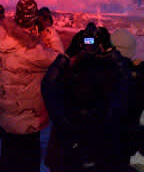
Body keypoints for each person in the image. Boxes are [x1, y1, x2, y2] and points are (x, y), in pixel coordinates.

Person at [43, 22, 130, 171]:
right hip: (99, 160)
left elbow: (47, 84)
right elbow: (126, 81)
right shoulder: (109, 111)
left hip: (69, 161)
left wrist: (68, 53)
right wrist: (110, 50)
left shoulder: (64, 113)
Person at [0, 0, 61, 172]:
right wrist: (48, 29)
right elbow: (59, 58)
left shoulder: (0, 34)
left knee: (9, 155)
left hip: (6, 114)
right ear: (33, 19)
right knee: (27, 162)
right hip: (27, 118)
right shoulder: (32, 52)